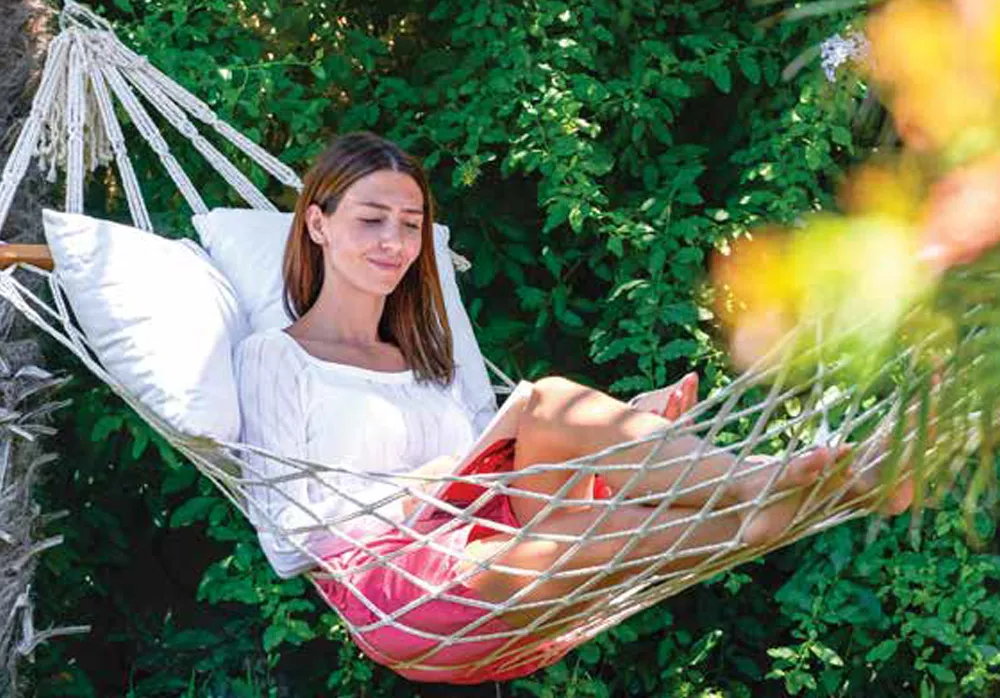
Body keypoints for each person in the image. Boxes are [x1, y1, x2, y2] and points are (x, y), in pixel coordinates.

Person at [235, 132, 914, 684]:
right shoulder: (277, 357)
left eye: (411, 225)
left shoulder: (429, 355)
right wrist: (421, 487)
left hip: (487, 528)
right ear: (317, 224)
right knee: (596, 518)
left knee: (552, 400)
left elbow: (493, 462)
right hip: (400, 585)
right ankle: (797, 490)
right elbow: (286, 541)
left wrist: (621, 431)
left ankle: (771, 485)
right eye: (371, 219)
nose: (394, 241)